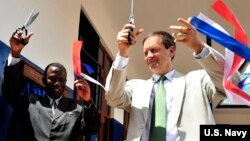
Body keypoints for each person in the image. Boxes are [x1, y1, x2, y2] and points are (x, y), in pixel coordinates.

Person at [105, 18, 240, 141]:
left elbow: (232, 82)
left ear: (171, 51)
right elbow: (112, 97)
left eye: (154, 50)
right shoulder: (136, 87)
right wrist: (122, 53)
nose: (149, 56)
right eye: (146, 53)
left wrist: (199, 47)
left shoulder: (198, 80)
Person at [2, 28, 99, 141]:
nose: (57, 83)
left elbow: (91, 129)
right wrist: (15, 53)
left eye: (62, 80)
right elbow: (9, 92)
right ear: (43, 81)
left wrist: (88, 101)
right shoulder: (30, 102)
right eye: (52, 79)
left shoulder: (77, 107)